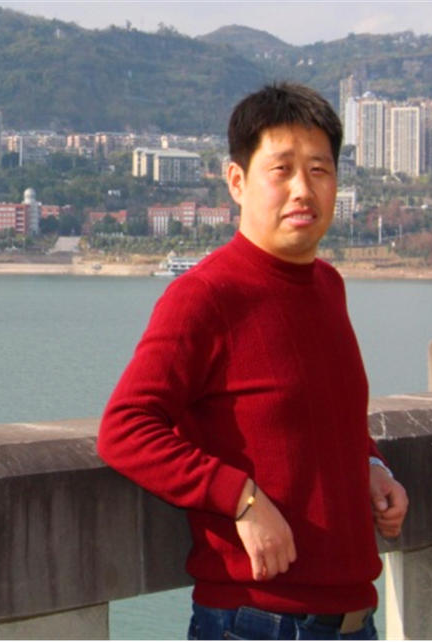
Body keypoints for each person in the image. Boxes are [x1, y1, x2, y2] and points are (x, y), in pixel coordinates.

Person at [98, 81, 409, 640]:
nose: (302, 189)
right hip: (256, 622)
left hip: (355, 621)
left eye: (319, 170)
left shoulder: (327, 285)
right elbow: (125, 429)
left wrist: (372, 466)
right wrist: (240, 499)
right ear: (237, 182)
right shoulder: (205, 296)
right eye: (281, 169)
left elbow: (321, 415)